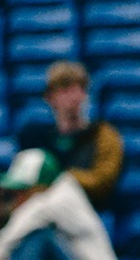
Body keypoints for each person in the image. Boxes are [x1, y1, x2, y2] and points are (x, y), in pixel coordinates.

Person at [0, 148, 122, 260]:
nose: (18, 198)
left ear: (42, 187)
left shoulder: (64, 199)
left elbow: (34, 213)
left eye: (23, 191)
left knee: (40, 237)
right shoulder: (53, 199)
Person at [16, 61, 124, 209]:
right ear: (49, 97)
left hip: (87, 209)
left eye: (79, 89)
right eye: (65, 90)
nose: (73, 97)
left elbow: (103, 182)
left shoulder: (103, 135)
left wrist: (60, 177)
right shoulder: (35, 136)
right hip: (45, 209)